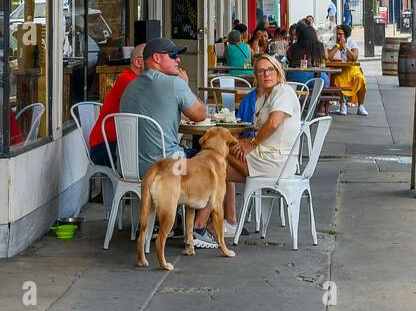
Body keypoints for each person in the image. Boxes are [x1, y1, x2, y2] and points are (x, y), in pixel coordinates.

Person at [119, 39, 217, 249]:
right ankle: (198, 228)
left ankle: (176, 220)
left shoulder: (130, 86)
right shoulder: (174, 83)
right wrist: (186, 84)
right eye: (172, 55)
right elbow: (200, 115)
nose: (178, 59)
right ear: (156, 58)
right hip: (169, 167)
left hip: (131, 168)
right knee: (213, 163)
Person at [223, 53, 302, 227]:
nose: (266, 74)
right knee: (217, 167)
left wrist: (250, 144)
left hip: (278, 161)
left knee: (218, 154)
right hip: (264, 156)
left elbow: (273, 123)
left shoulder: (283, 91)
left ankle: (207, 226)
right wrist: (244, 143)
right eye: (261, 71)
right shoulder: (261, 100)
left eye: (270, 70)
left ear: (278, 71)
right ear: (256, 76)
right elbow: (261, 132)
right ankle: (224, 223)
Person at [88, 43, 144, 166]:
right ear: (137, 62)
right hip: (104, 147)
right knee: (158, 159)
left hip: (118, 143)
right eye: (149, 58)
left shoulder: (136, 80)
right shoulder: (129, 81)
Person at [327, 25, 368, 115]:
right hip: (338, 69)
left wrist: (345, 48)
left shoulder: (351, 42)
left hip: (351, 69)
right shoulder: (332, 42)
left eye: (341, 34)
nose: (338, 36)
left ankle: (361, 106)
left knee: (361, 79)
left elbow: (354, 57)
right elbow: (328, 57)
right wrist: (337, 46)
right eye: (337, 34)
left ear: (346, 35)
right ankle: (342, 105)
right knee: (337, 80)